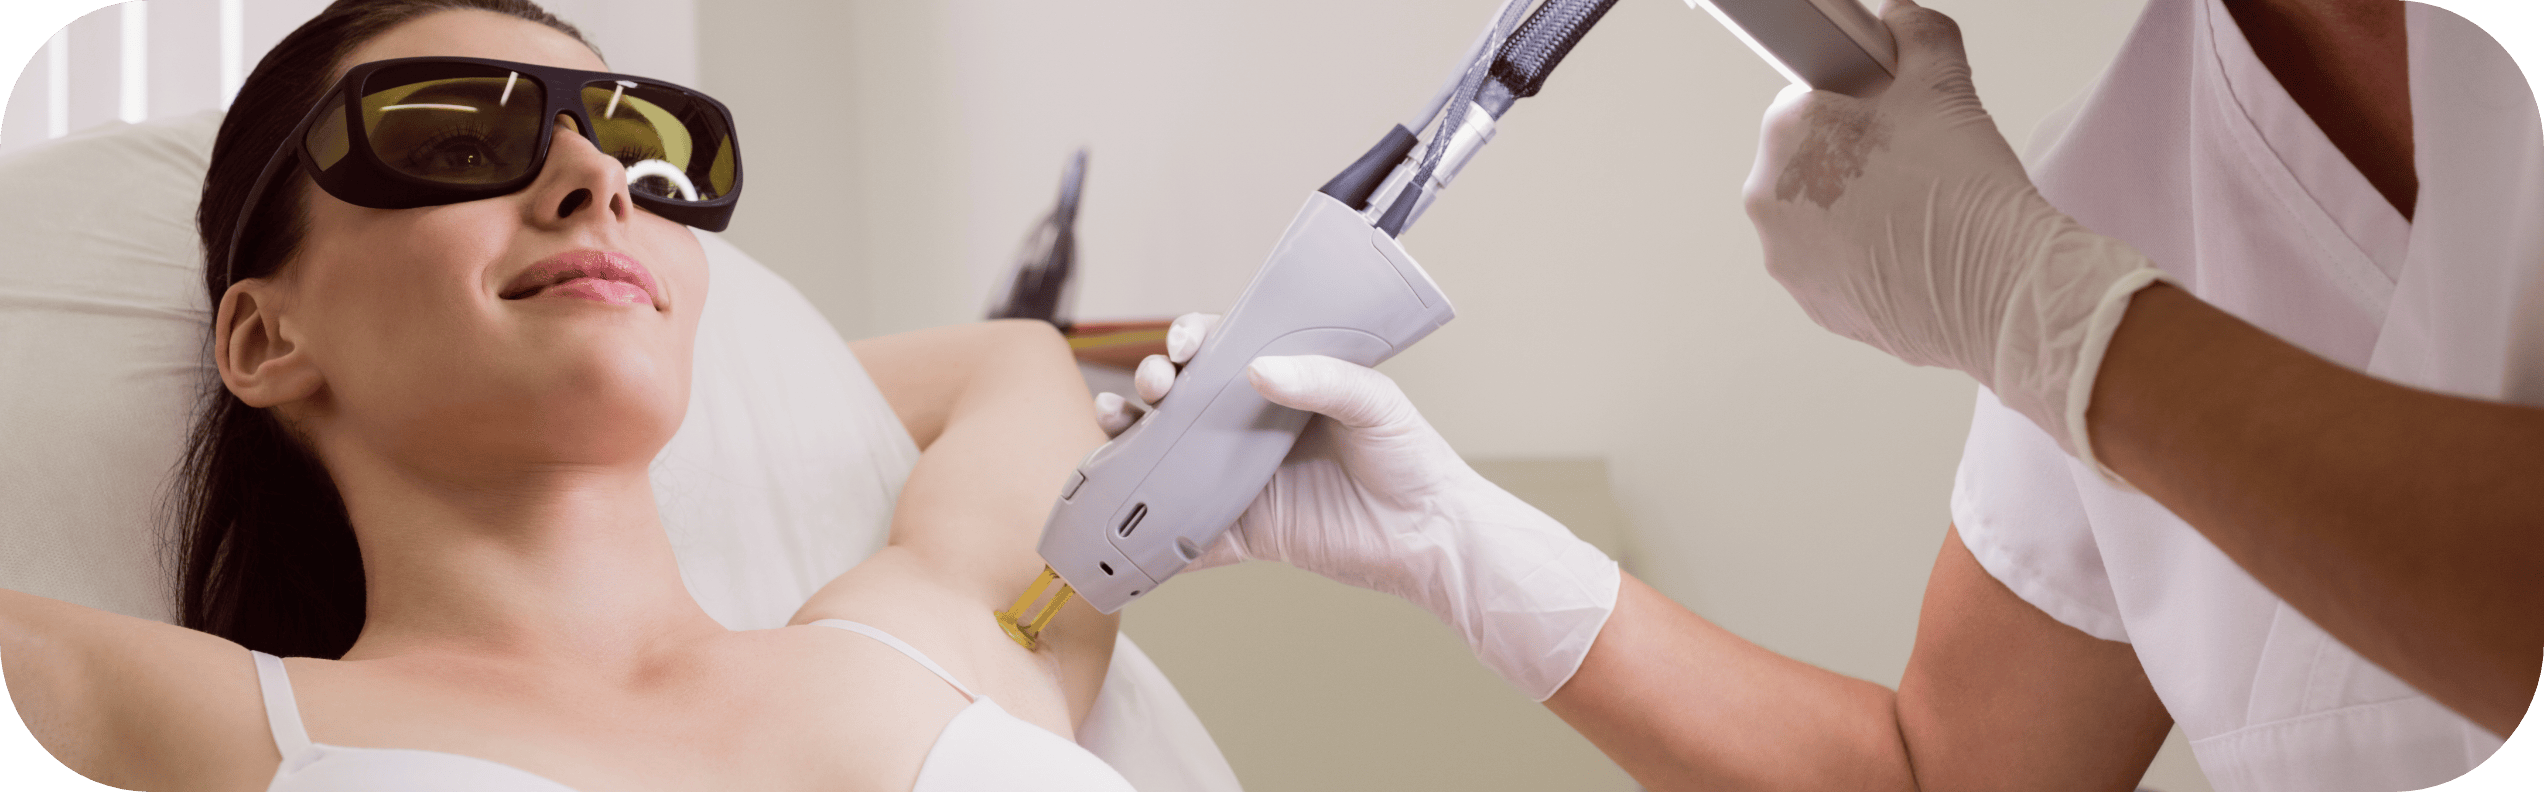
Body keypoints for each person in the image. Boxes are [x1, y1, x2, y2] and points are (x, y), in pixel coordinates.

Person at [1114, 0, 2541, 788]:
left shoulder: (2048, 260)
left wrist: (2042, 310)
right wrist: (1456, 545)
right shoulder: (2131, 170)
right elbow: (1948, 774)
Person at [0, 2, 1136, 790]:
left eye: (642, 161)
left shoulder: (954, 640)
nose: (595, 178)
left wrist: (736, 379)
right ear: (266, 338)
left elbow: (1013, 357)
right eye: (456, 146)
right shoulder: (197, 726)